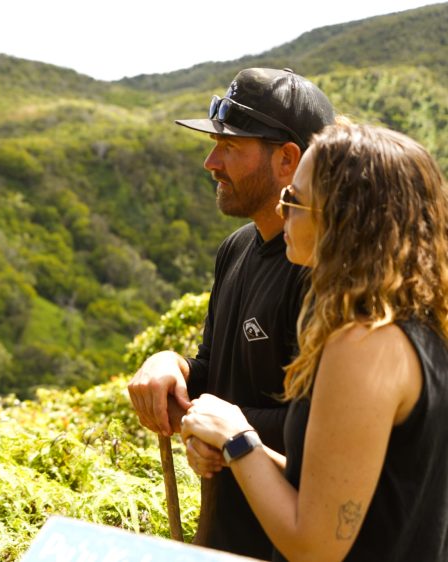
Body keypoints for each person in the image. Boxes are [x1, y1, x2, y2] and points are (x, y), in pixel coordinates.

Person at [182, 122, 448, 561]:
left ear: (345, 220)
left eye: (294, 198)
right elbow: (341, 495)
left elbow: (316, 546)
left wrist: (237, 437)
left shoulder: (362, 345)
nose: (281, 208)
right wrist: (242, 451)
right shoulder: (416, 326)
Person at [127, 68, 335, 559]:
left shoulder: (323, 268)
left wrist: (213, 424)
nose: (211, 162)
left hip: (293, 541)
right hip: (223, 537)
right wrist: (173, 367)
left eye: (230, 147)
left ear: (287, 160)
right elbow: (219, 373)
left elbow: (329, 428)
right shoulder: (237, 249)